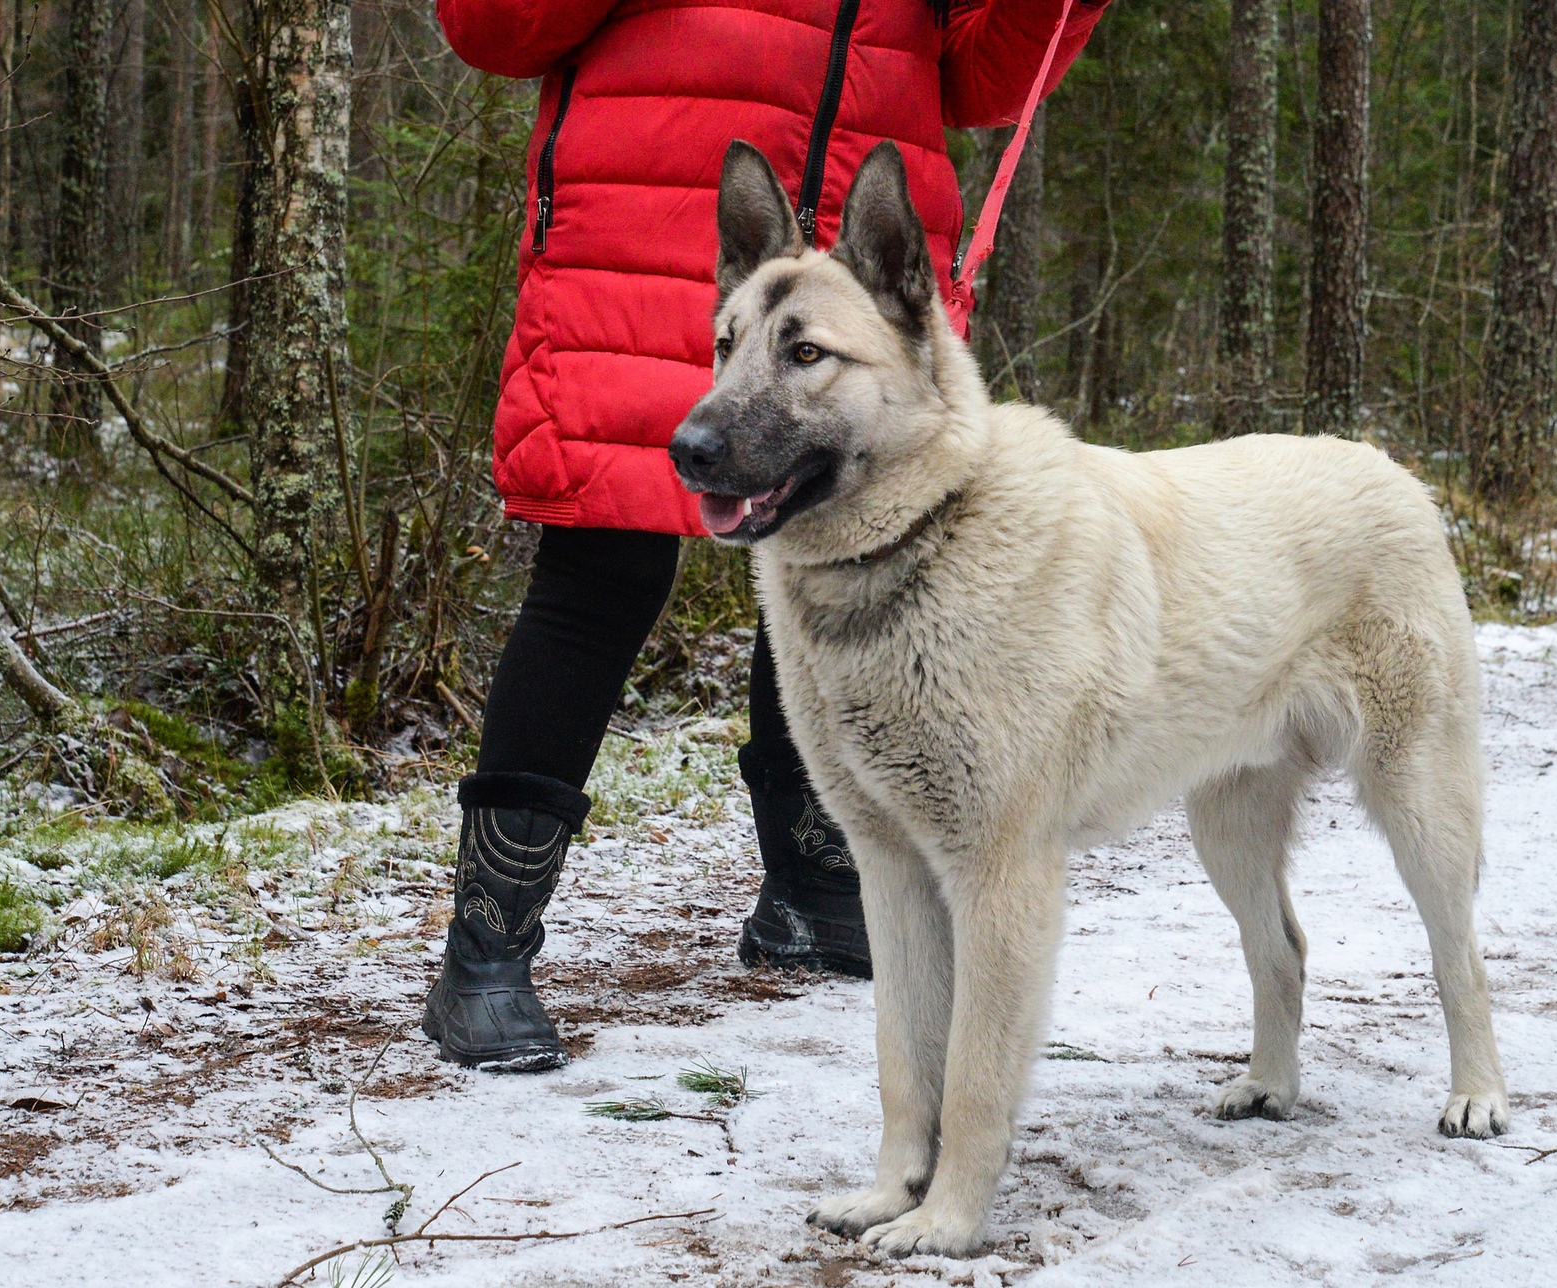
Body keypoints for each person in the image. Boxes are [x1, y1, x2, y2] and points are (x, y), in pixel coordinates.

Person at [421, 0, 1110, 1070]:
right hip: (659, 230)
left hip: (856, 264)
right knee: (601, 567)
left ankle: (812, 884)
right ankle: (487, 950)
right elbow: (490, 29)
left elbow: (970, 83)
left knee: (828, 558)